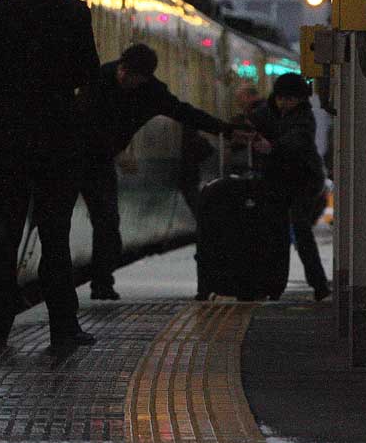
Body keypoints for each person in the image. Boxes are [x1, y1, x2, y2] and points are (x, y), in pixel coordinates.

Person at [0, 0, 102, 351]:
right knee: (55, 237)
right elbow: (88, 73)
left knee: (5, 237)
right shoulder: (74, 12)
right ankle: (63, 328)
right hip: (59, 144)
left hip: (7, 142)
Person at [77, 44, 252, 300]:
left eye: (133, 76)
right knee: (86, 219)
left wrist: (225, 130)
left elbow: (185, 113)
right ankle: (84, 282)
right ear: (120, 65)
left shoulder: (151, 93)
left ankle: (102, 283)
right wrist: (116, 151)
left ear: (145, 78)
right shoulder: (98, 80)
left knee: (107, 221)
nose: (124, 78)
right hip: (72, 156)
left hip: (100, 163)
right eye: (123, 71)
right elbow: (82, 121)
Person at [248, 72, 331, 301]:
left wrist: (271, 147)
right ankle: (274, 287)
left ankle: (319, 285)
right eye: (282, 98)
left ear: (301, 100)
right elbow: (253, 120)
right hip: (279, 180)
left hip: (305, 181)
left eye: (291, 99)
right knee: (277, 233)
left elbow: (297, 140)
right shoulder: (268, 112)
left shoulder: (304, 117)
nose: (285, 104)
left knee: (300, 230)